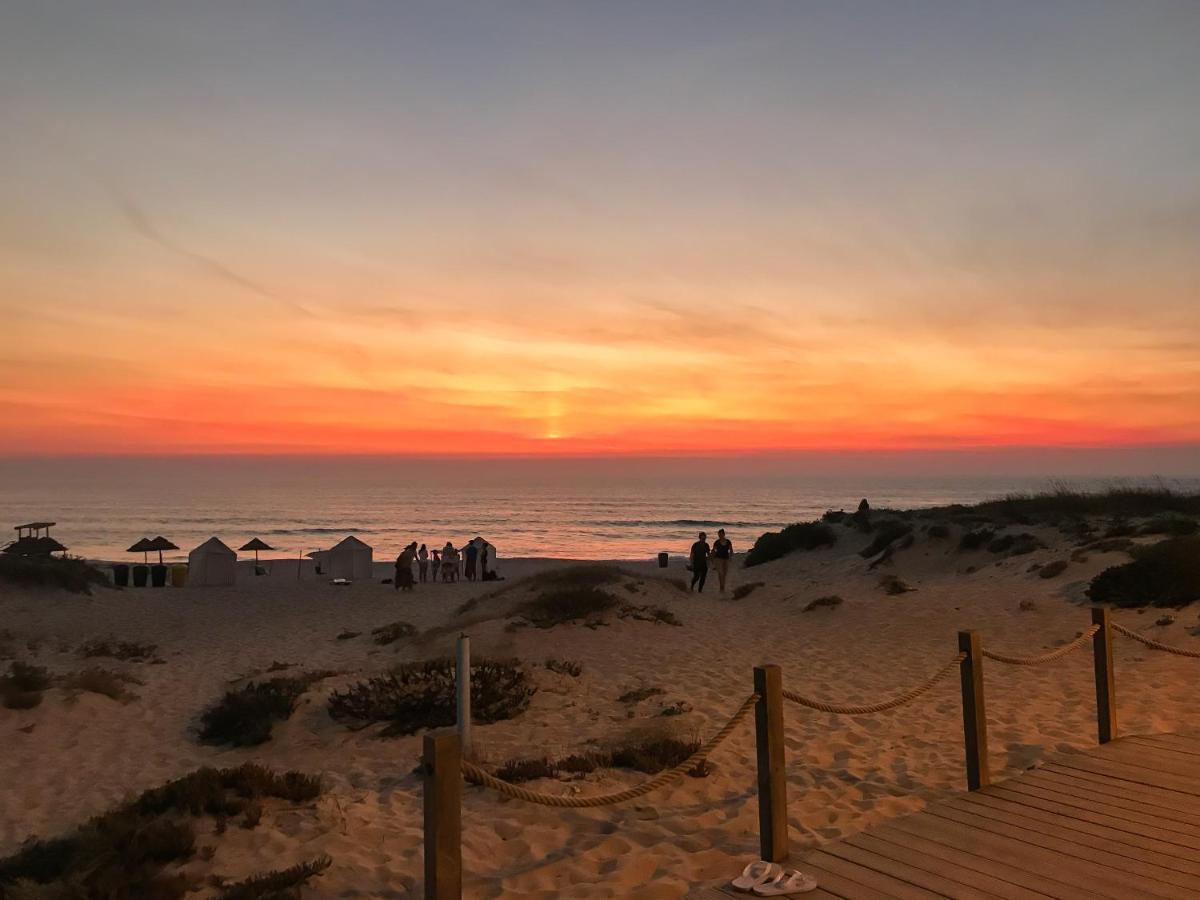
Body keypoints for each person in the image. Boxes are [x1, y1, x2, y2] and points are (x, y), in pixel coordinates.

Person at [711, 528, 733, 593]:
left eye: (721, 534)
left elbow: (731, 550)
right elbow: (714, 550)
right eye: (719, 534)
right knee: (720, 573)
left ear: (724, 534)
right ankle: (721, 587)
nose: (720, 536)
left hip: (726, 559)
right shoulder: (716, 542)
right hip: (718, 559)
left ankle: (722, 586)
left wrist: (730, 557)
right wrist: (712, 558)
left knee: (724, 574)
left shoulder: (728, 541)